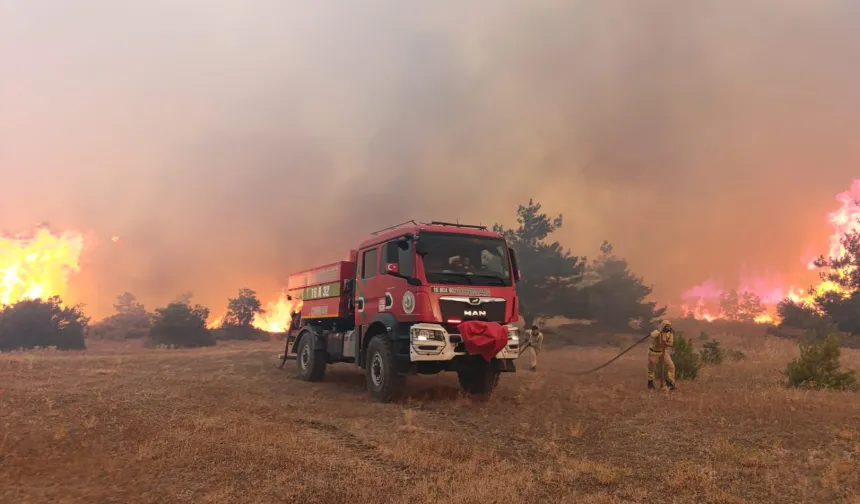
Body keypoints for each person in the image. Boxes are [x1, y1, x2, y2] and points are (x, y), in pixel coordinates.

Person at [648, 320, 676, 390]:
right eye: (666, 326)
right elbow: (652, 335)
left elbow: (671, 344)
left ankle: (670, 382)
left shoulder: (670, 334)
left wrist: (666, 343)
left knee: (671, 366)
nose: (668, 328)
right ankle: (650, 382)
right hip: (654, 352)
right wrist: (658, 333)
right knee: (651, 368)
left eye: (669, 326)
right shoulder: (657, 332)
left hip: (663, 352)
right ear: (663, 326)